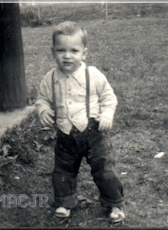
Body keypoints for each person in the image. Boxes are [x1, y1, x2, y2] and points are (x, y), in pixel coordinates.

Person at [35, 21, 125, 223]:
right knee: (63, 171)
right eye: (61, 50)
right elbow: (41, 99)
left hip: (93, 133)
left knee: (104, 170)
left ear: (84, 53)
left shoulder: (92, 75)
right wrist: (43, 109)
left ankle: (114, 204)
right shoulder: (50, 79)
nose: (67, 56)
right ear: (53, 52)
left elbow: (109, 98)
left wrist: (107, 115)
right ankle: (65, 202)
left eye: (74, 51)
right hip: (65, 136)